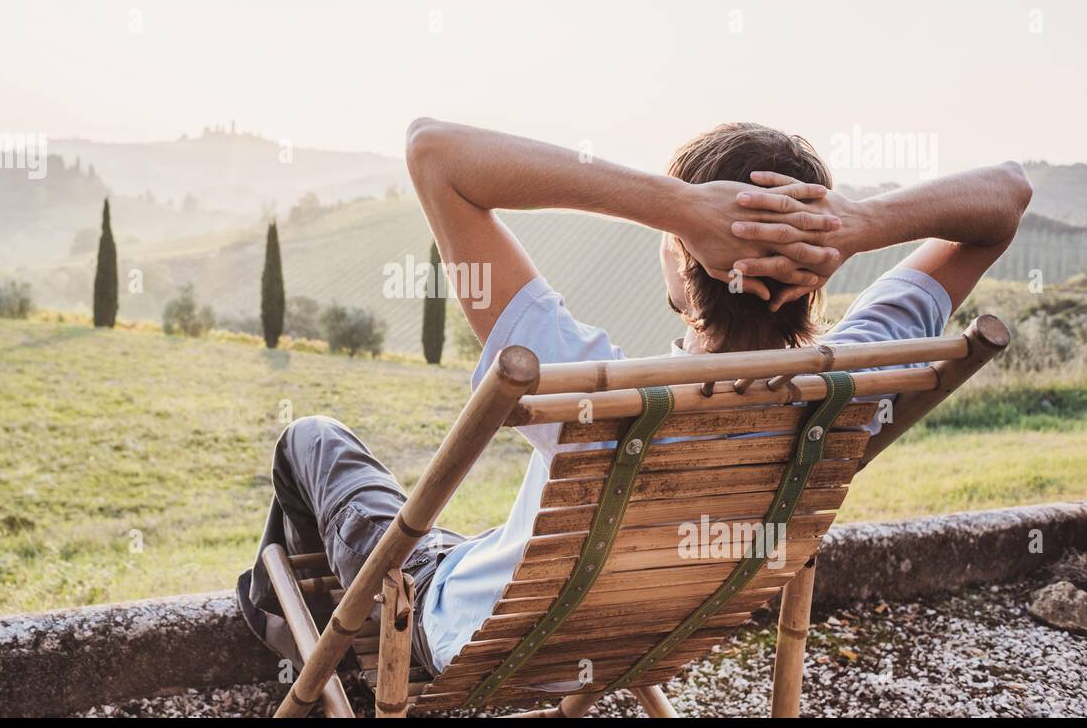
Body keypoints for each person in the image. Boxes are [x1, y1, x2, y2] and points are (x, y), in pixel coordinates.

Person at [238, 119, 1031, 678]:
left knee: (312, 439)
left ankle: (301, 647)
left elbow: (433, 151)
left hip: (461, 633)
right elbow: (1006, 197)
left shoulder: (604, 392)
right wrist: (858, 224)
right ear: (817, 270)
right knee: (479, 534)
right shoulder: (856, 385)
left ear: (685, 266)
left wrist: (678, 207)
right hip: (643, 635)